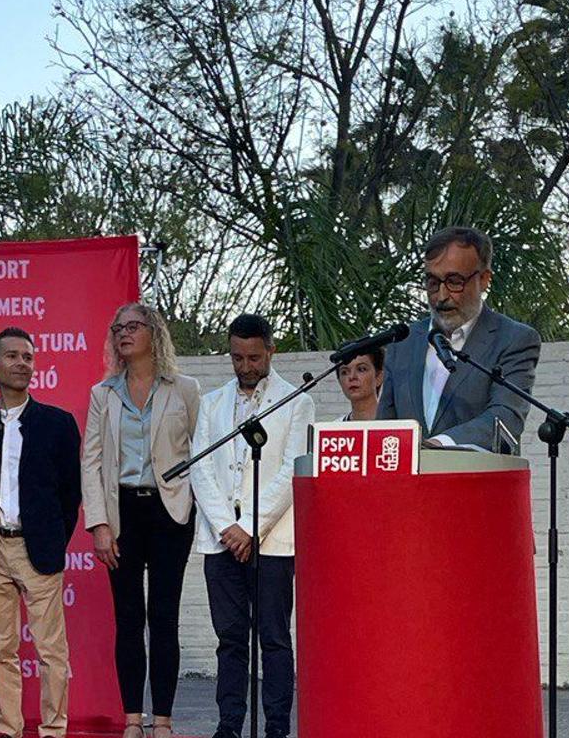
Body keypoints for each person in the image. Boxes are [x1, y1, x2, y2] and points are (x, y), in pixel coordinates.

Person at [190, 314, 314, 738]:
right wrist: (228, 527)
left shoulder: (296, 400)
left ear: (271, 350)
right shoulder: (210, 403)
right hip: (220, 541)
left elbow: (290, 470)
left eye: (254, 358)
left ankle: (277, 727)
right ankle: (229, 725)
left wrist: (250, 528)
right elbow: (200, 470)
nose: (246, 366)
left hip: (273, 541)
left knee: (275, 639)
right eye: (237, 357)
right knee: (229, 640)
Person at [82, 303, 201, 738]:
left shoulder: (183, 388)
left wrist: (195, 507)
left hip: (170, 513)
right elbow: (91, 463)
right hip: (122, 515)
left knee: (164, 616)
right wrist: (99, 524)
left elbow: (198, 452)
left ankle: (164, 720)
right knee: (128, 617)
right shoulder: (103, 394)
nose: (124, 334)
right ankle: (133, 718)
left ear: (155, 333)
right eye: (118, 329)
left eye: (133, 327)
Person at [0, 328, 82, 738]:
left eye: (28, 357)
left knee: (51, 650)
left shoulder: (58, 423)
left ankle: (54, 729)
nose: (21, 363)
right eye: (11, 356)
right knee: (2, 648)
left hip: (41, 549)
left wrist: (52, 536)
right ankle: (8, 730)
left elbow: (72, 493)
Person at [378, 226, 541, 449]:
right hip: (409, 483)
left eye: (454, 281)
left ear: (484, 279)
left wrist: (437, 446)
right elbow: (385, 427)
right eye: (433, 282)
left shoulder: (514, 339)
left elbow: (505, 419)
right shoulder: (403, 342)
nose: (441, 296)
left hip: (478, 480)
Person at [336, 349, 385, 421]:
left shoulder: (399, 425)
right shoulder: (334, 428)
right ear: (339, 381)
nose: (352, 377)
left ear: (378, 377)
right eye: (344, 372)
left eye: (361, 369)